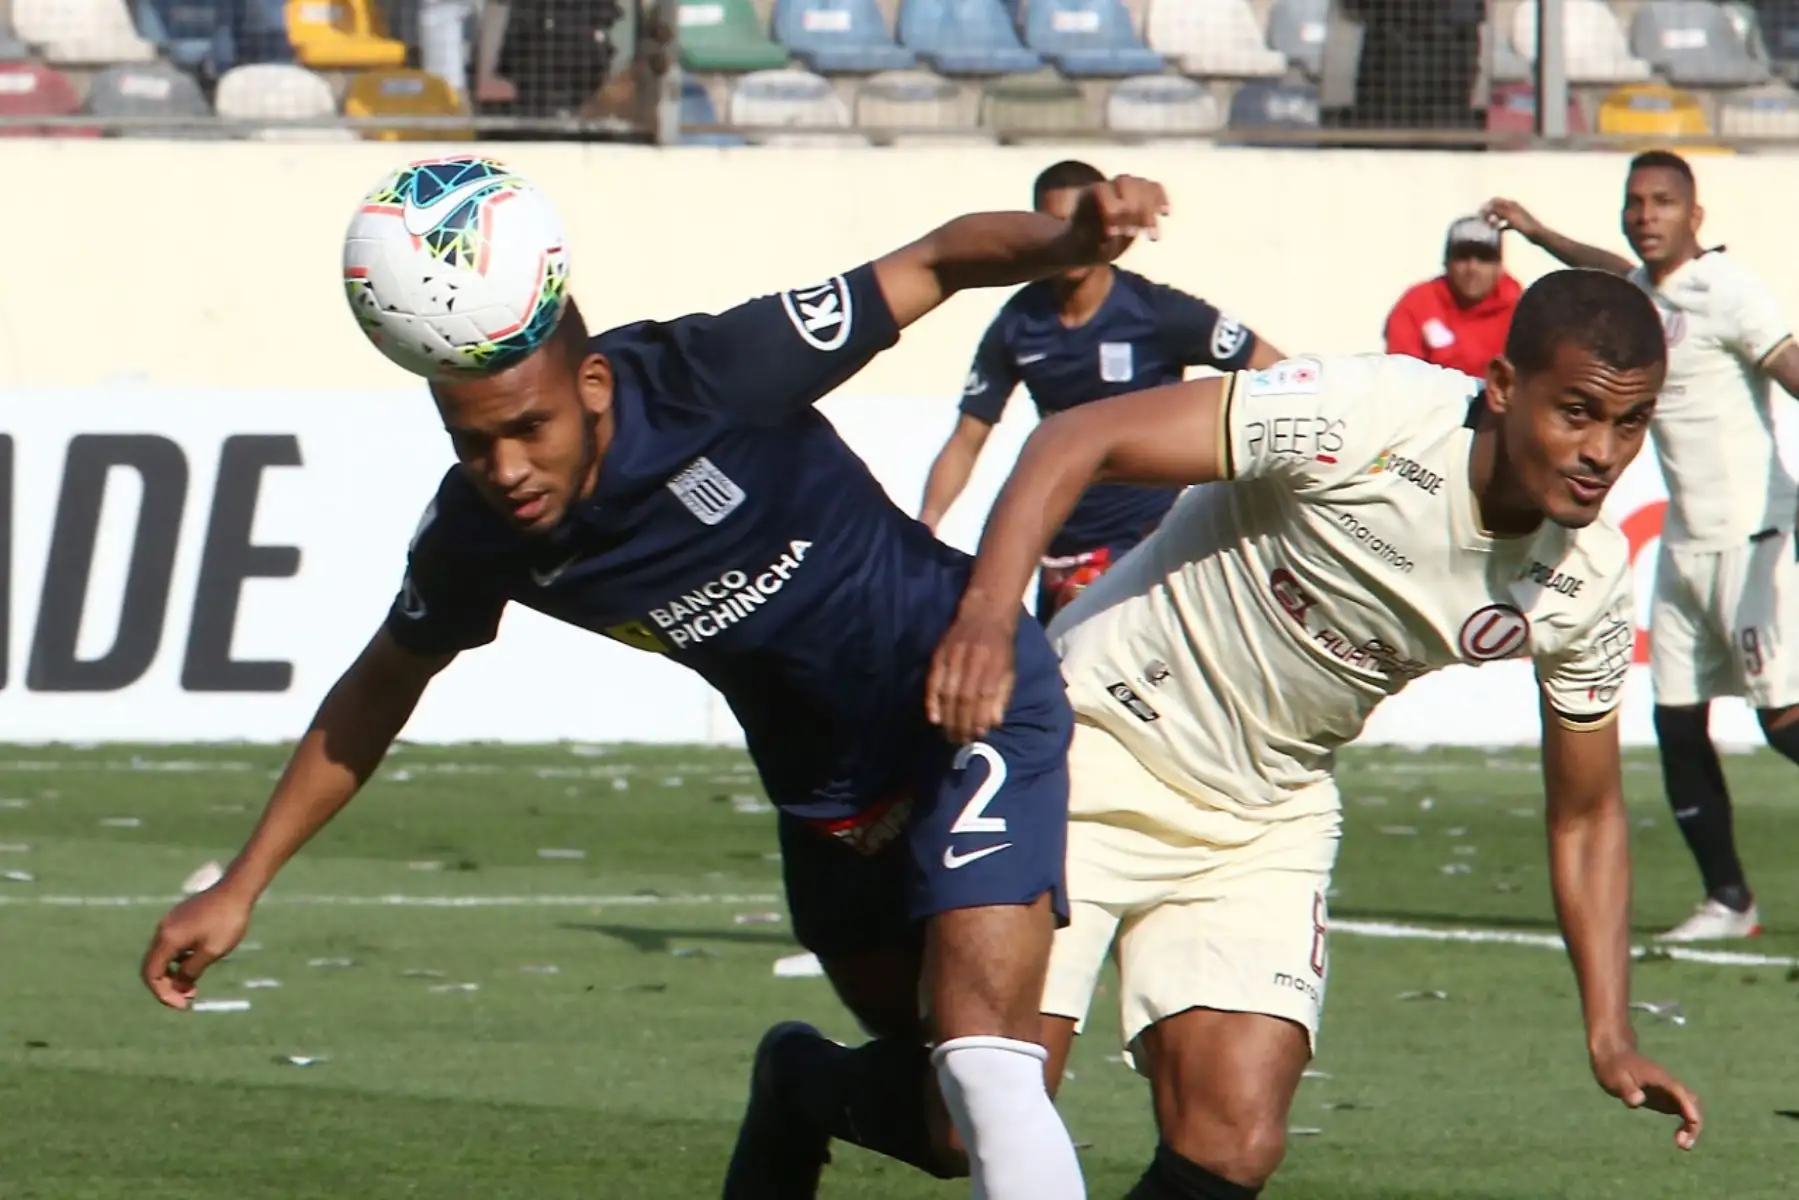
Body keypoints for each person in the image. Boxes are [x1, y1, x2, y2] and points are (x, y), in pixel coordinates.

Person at [138, 173, 1181, 1200]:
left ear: (592, 387)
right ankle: (799, 1086)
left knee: (990, 1072)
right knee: (949, 1124)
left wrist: (1064, 244)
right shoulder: (478, 535)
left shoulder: (713, 373)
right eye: (472, 444)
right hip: (827, 804)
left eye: (526, 428)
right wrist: (241, 883)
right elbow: (376, 690)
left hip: (969, 701)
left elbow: (936, 259)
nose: (504, 468)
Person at [925, 268, 1703, 1199]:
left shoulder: (1587, 581)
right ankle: (805, 1086)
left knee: (1234, 1141)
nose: (1601, 452)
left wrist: (1610, 1030)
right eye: (1576, 412)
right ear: (1501, 386)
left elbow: (1587, 816)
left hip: (1261, 816)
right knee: (972, 1125)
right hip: (1093, 747)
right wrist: (984, 616)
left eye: (1630, 423)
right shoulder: (1369, 414)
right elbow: (1074, 438)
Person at [1486, 150, 1799, 942]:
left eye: (1663, 202)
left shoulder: (1724, 289)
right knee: (1676, 719)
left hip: (1754, 537)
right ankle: (1729, 901)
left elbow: (1791, 364)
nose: (1646, 214)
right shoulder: (1642, 294)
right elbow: (1609, 271)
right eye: (1635, 202)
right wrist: (1534, 231)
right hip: (1686, 545)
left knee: (1785, 720)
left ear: (1695, 217)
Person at [919, 159, 1282, 623]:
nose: (1072, 235)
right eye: (1054, 224)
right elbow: (968, 437)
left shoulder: (1156, 312)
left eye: (1081, 220)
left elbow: (1273, 371)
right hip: (1058, 543)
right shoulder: (1018, 324)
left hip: (1150, 539)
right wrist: (927, 521)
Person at [1383, 214, 1523, 379]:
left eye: (1484, 258)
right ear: (1446, 262)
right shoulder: (1417, 304)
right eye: (1462, 257)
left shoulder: (1521, 309)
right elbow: (1403, 377)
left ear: (1500, 266)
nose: (1472, 269)